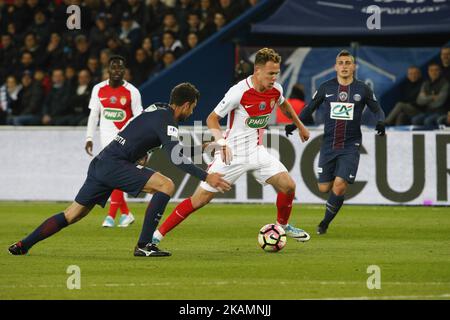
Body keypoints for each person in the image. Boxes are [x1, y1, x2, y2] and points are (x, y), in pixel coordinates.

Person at [8, 82, 231, 257]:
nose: (191, 113)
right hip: (116, 164)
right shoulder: (166, 119)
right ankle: (144, 245)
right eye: (192, 108)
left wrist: (199, 147)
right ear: (186, 104)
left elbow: (166, 145)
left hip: (103, 162)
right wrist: (207, 176)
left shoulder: (158, 110)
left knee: (72, 214)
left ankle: (23, 245)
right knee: (166, 185)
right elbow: (177, 159)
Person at [152, 47, 311, 246]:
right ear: (258, 71)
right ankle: (156, 236)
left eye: (276, 73)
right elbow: (212, 119)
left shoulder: (275, 90)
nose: (274, 78)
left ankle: (283, 225)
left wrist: (300, 125)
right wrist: (222, 143)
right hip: (231, 155)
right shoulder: (239, 92)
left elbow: (284, 104)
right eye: (271, 73)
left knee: (289, 186)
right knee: (199, 200)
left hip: (256, 151)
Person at [285, 50, 386, 235]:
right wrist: (296, 124)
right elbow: (309, 108)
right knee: (324, 188)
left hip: (351, 145)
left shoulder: (362, 89)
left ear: (354, 67)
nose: (345, 66)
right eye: (341, 63)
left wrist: (380, 121)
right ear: (335, 67)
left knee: (339, 185)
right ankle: (333, 201)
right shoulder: (326, 87)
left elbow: (377, 109)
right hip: (329, 144)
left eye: (348, 63)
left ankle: (324, 223)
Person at [85, 55, 141, 228]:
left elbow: (139, 117)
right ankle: (125, 214)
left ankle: (110, 216)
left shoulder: (132, 91)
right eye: (114, 68)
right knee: (113, 174)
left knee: (113, 172)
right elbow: (94, 115)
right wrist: (89, 137)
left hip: (125, 139)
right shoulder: (98, 89)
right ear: (107, 70)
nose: (117, 71)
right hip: (105, 138)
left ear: (125, 71)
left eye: (120, 68)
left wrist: (141, 142)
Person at [412, 62, 449, 127]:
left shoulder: (445, 84)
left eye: (436, 70)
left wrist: (426, 99)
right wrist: (432, 97)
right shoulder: (425, 84)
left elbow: (439, 102)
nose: (433, 72)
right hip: (428, 112)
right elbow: (419, 101)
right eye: (431, 70)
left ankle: (432, 137)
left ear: (440, 71)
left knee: (428, 121)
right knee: (415, 120)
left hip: (441, 112)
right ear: (428, 72)